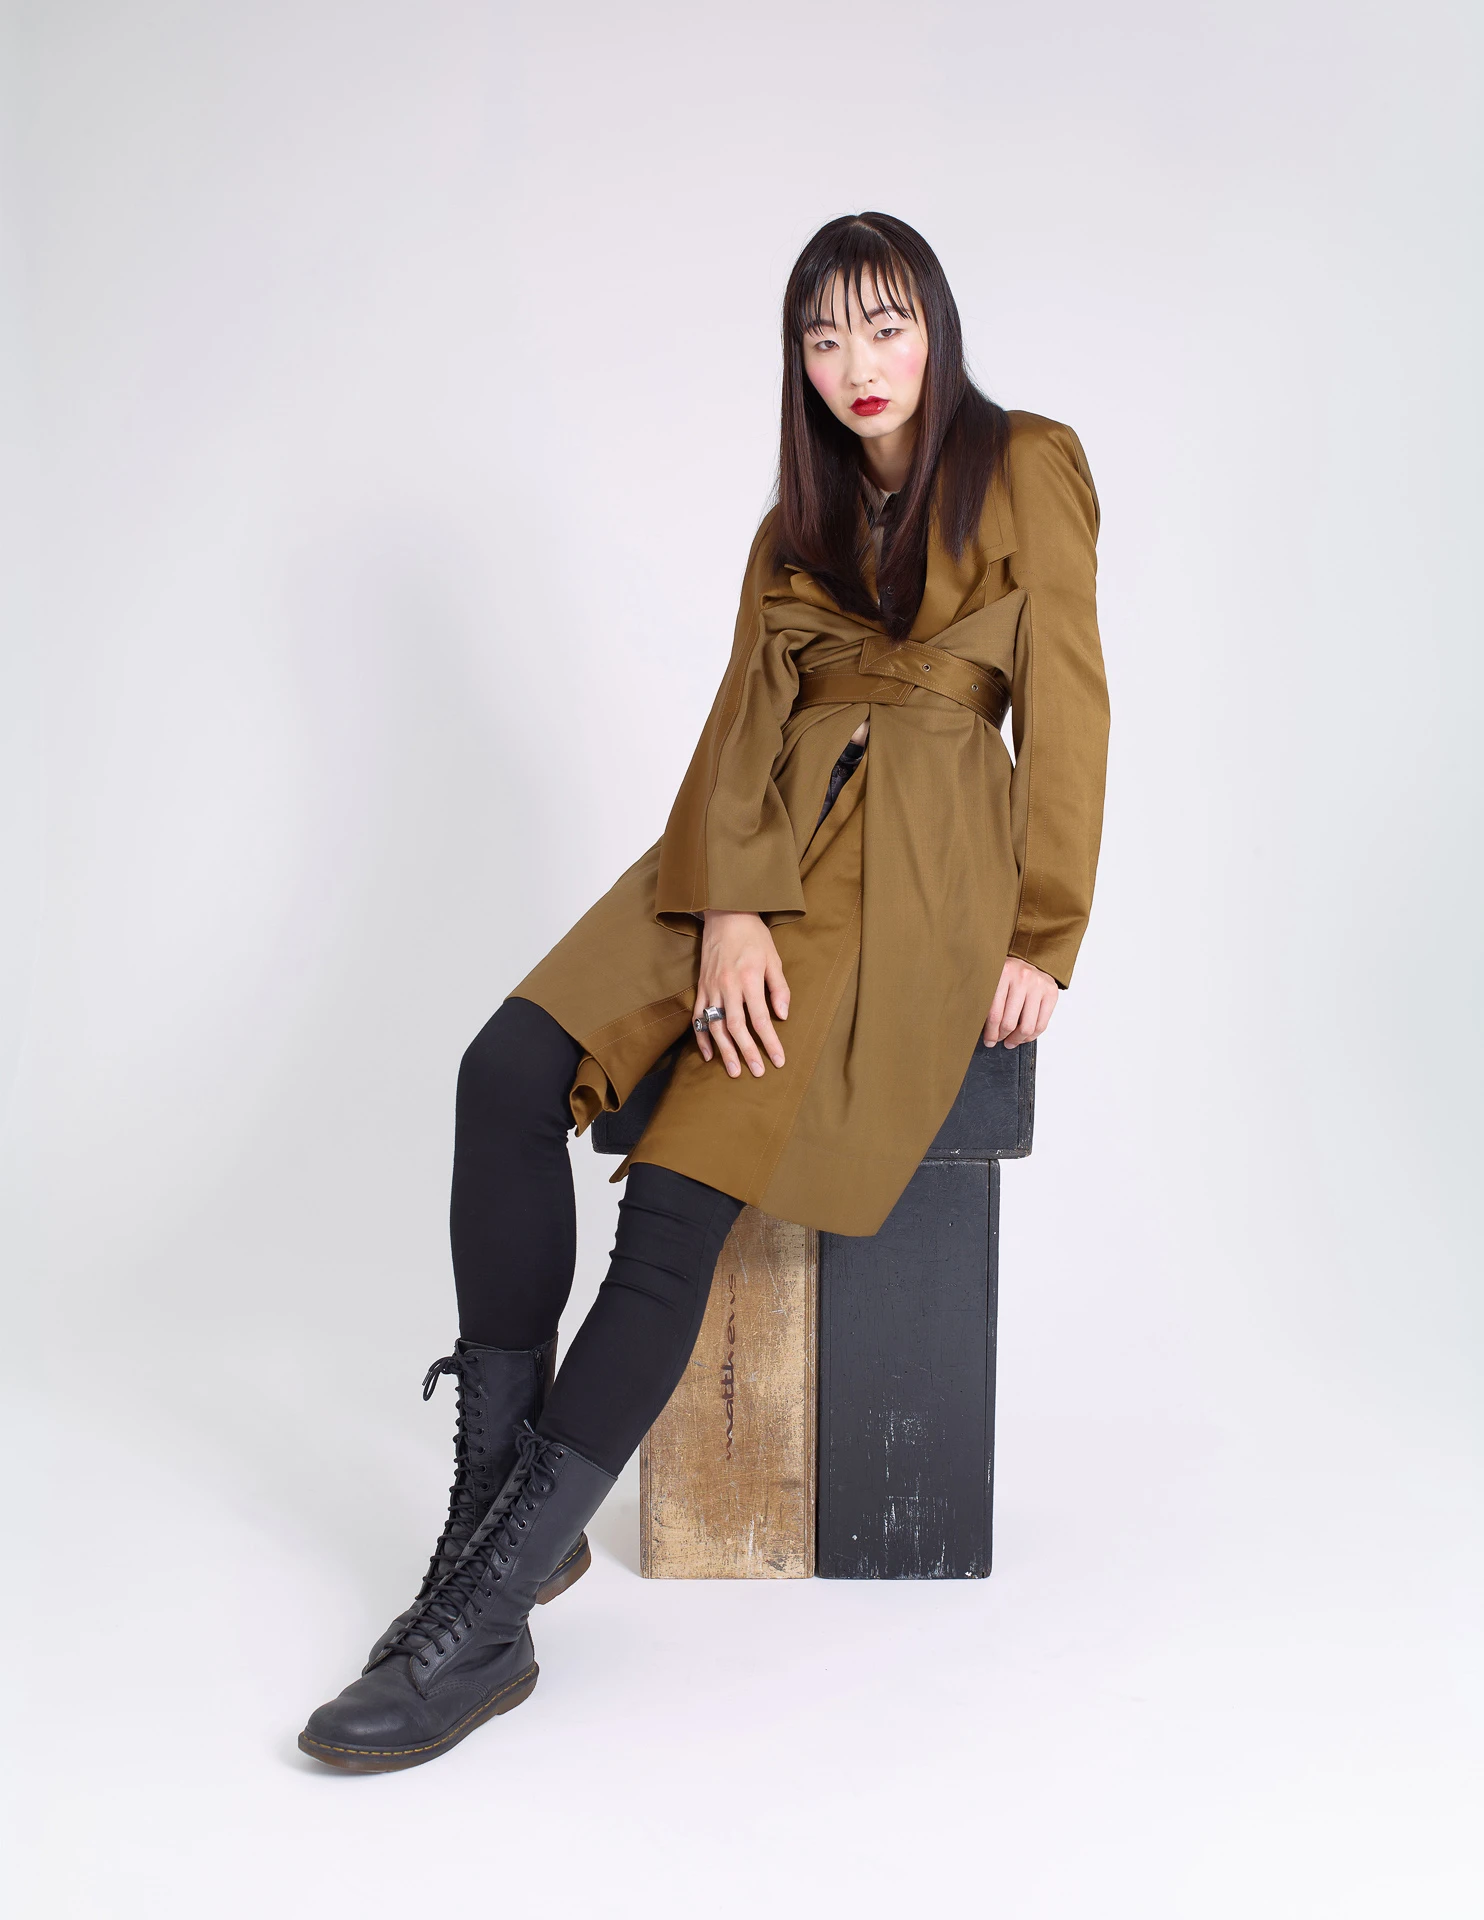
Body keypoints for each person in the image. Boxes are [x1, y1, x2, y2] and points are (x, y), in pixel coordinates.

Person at [298, 211, 1109, 1771]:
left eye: (886, 324)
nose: (858, 361)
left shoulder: (1026, 463)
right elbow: (744, 717)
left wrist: (1044, 933)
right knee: (503, 1071)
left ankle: (483, 1616)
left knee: (678, 1199)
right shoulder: (793, 523)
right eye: (825, 334)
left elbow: (1071, 700)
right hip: (751, 841)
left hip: (919, 870)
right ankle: (497, 1515)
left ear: (936, 330)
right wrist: (732, 902)